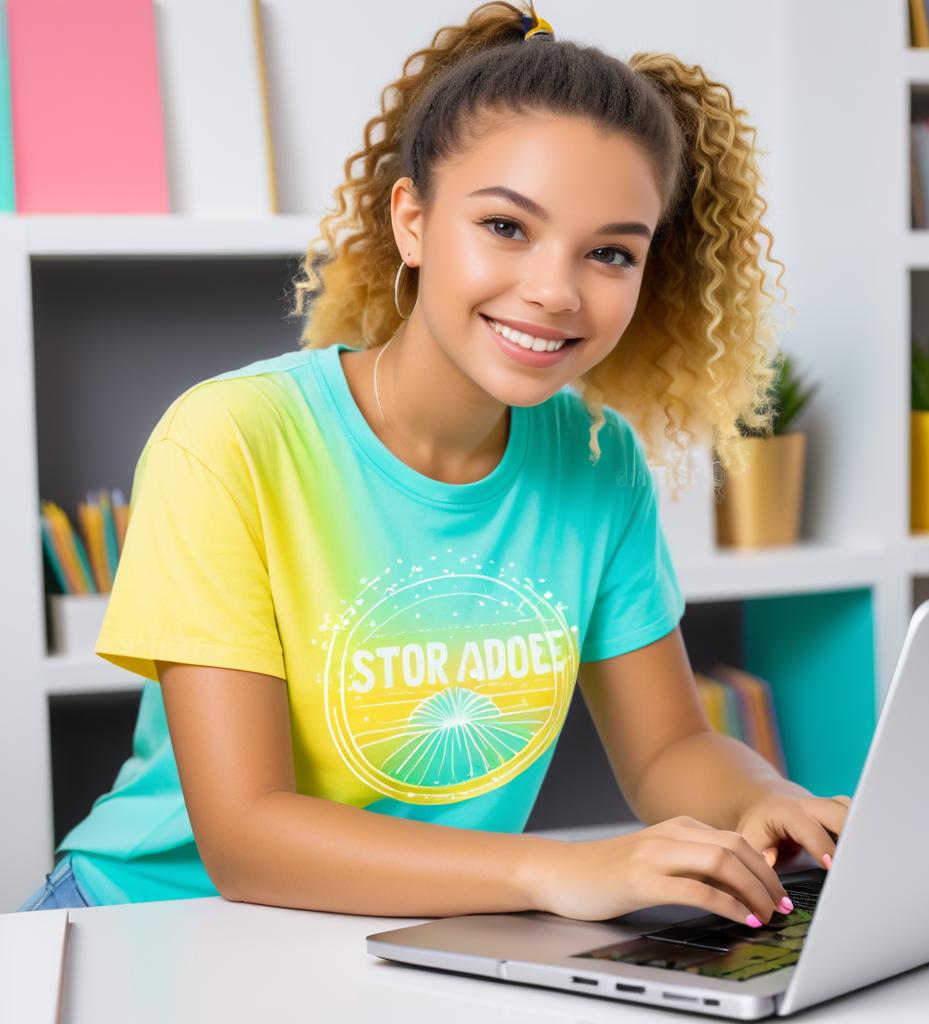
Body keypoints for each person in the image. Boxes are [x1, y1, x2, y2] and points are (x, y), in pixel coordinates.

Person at [20, 2, 850, 925]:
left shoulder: (597, 460)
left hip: (401, 934)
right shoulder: (231, 438)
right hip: (149, 922)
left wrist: (759, 798)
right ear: (411, 222)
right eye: (506, 227)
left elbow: (667, 750)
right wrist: (553, 872)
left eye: (611, 252)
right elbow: (244, 835)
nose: (553, 290)